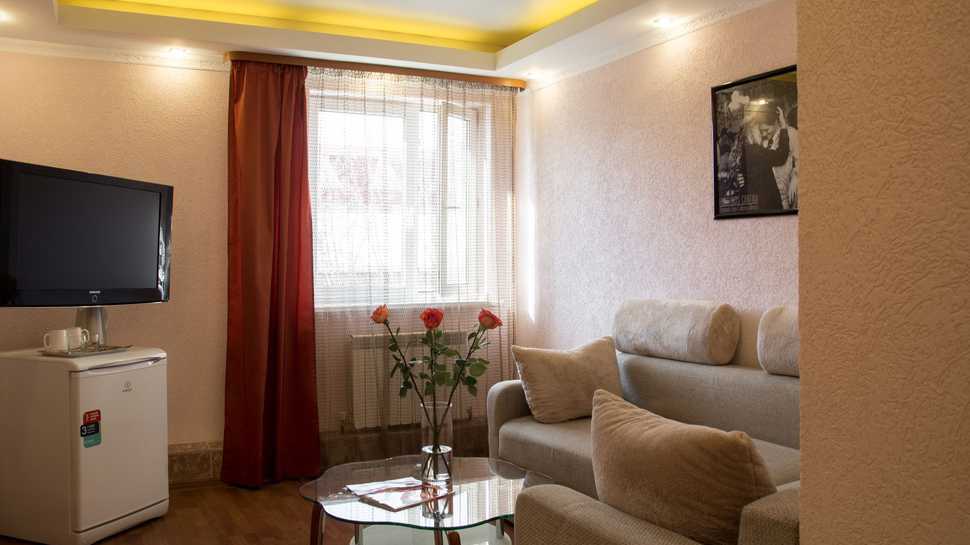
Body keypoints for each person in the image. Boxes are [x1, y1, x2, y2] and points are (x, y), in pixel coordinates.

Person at [740, 106, 789, 211]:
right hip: (766, 204)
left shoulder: (745, 150)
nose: (763, 135)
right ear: (752, 132)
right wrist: (783, 126)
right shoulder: (756, 151)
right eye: (760, 131)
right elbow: (781, 156)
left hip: (755, 204)